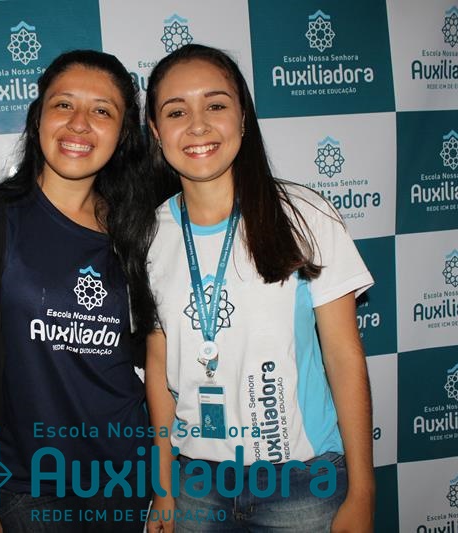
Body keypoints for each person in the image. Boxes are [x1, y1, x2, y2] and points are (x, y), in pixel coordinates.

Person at [143, 44, 376, 532]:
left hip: (302, 482)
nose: (198, 125)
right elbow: (158, 364)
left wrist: (362, 492)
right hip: (195, 484)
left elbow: (344, 356)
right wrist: (163, 488)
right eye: (176, 111)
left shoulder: (304, 215)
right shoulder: (147, 235)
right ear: (155, 130)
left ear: (243, 118)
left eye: (216, 105)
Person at [0, 50, 156, 533]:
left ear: (122, 134)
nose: (80, 123)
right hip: (28, 486)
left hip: (126, 477)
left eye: (102, 110)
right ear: (38, 119)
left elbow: (155, 357)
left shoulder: (139, 230)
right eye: (64, 104)